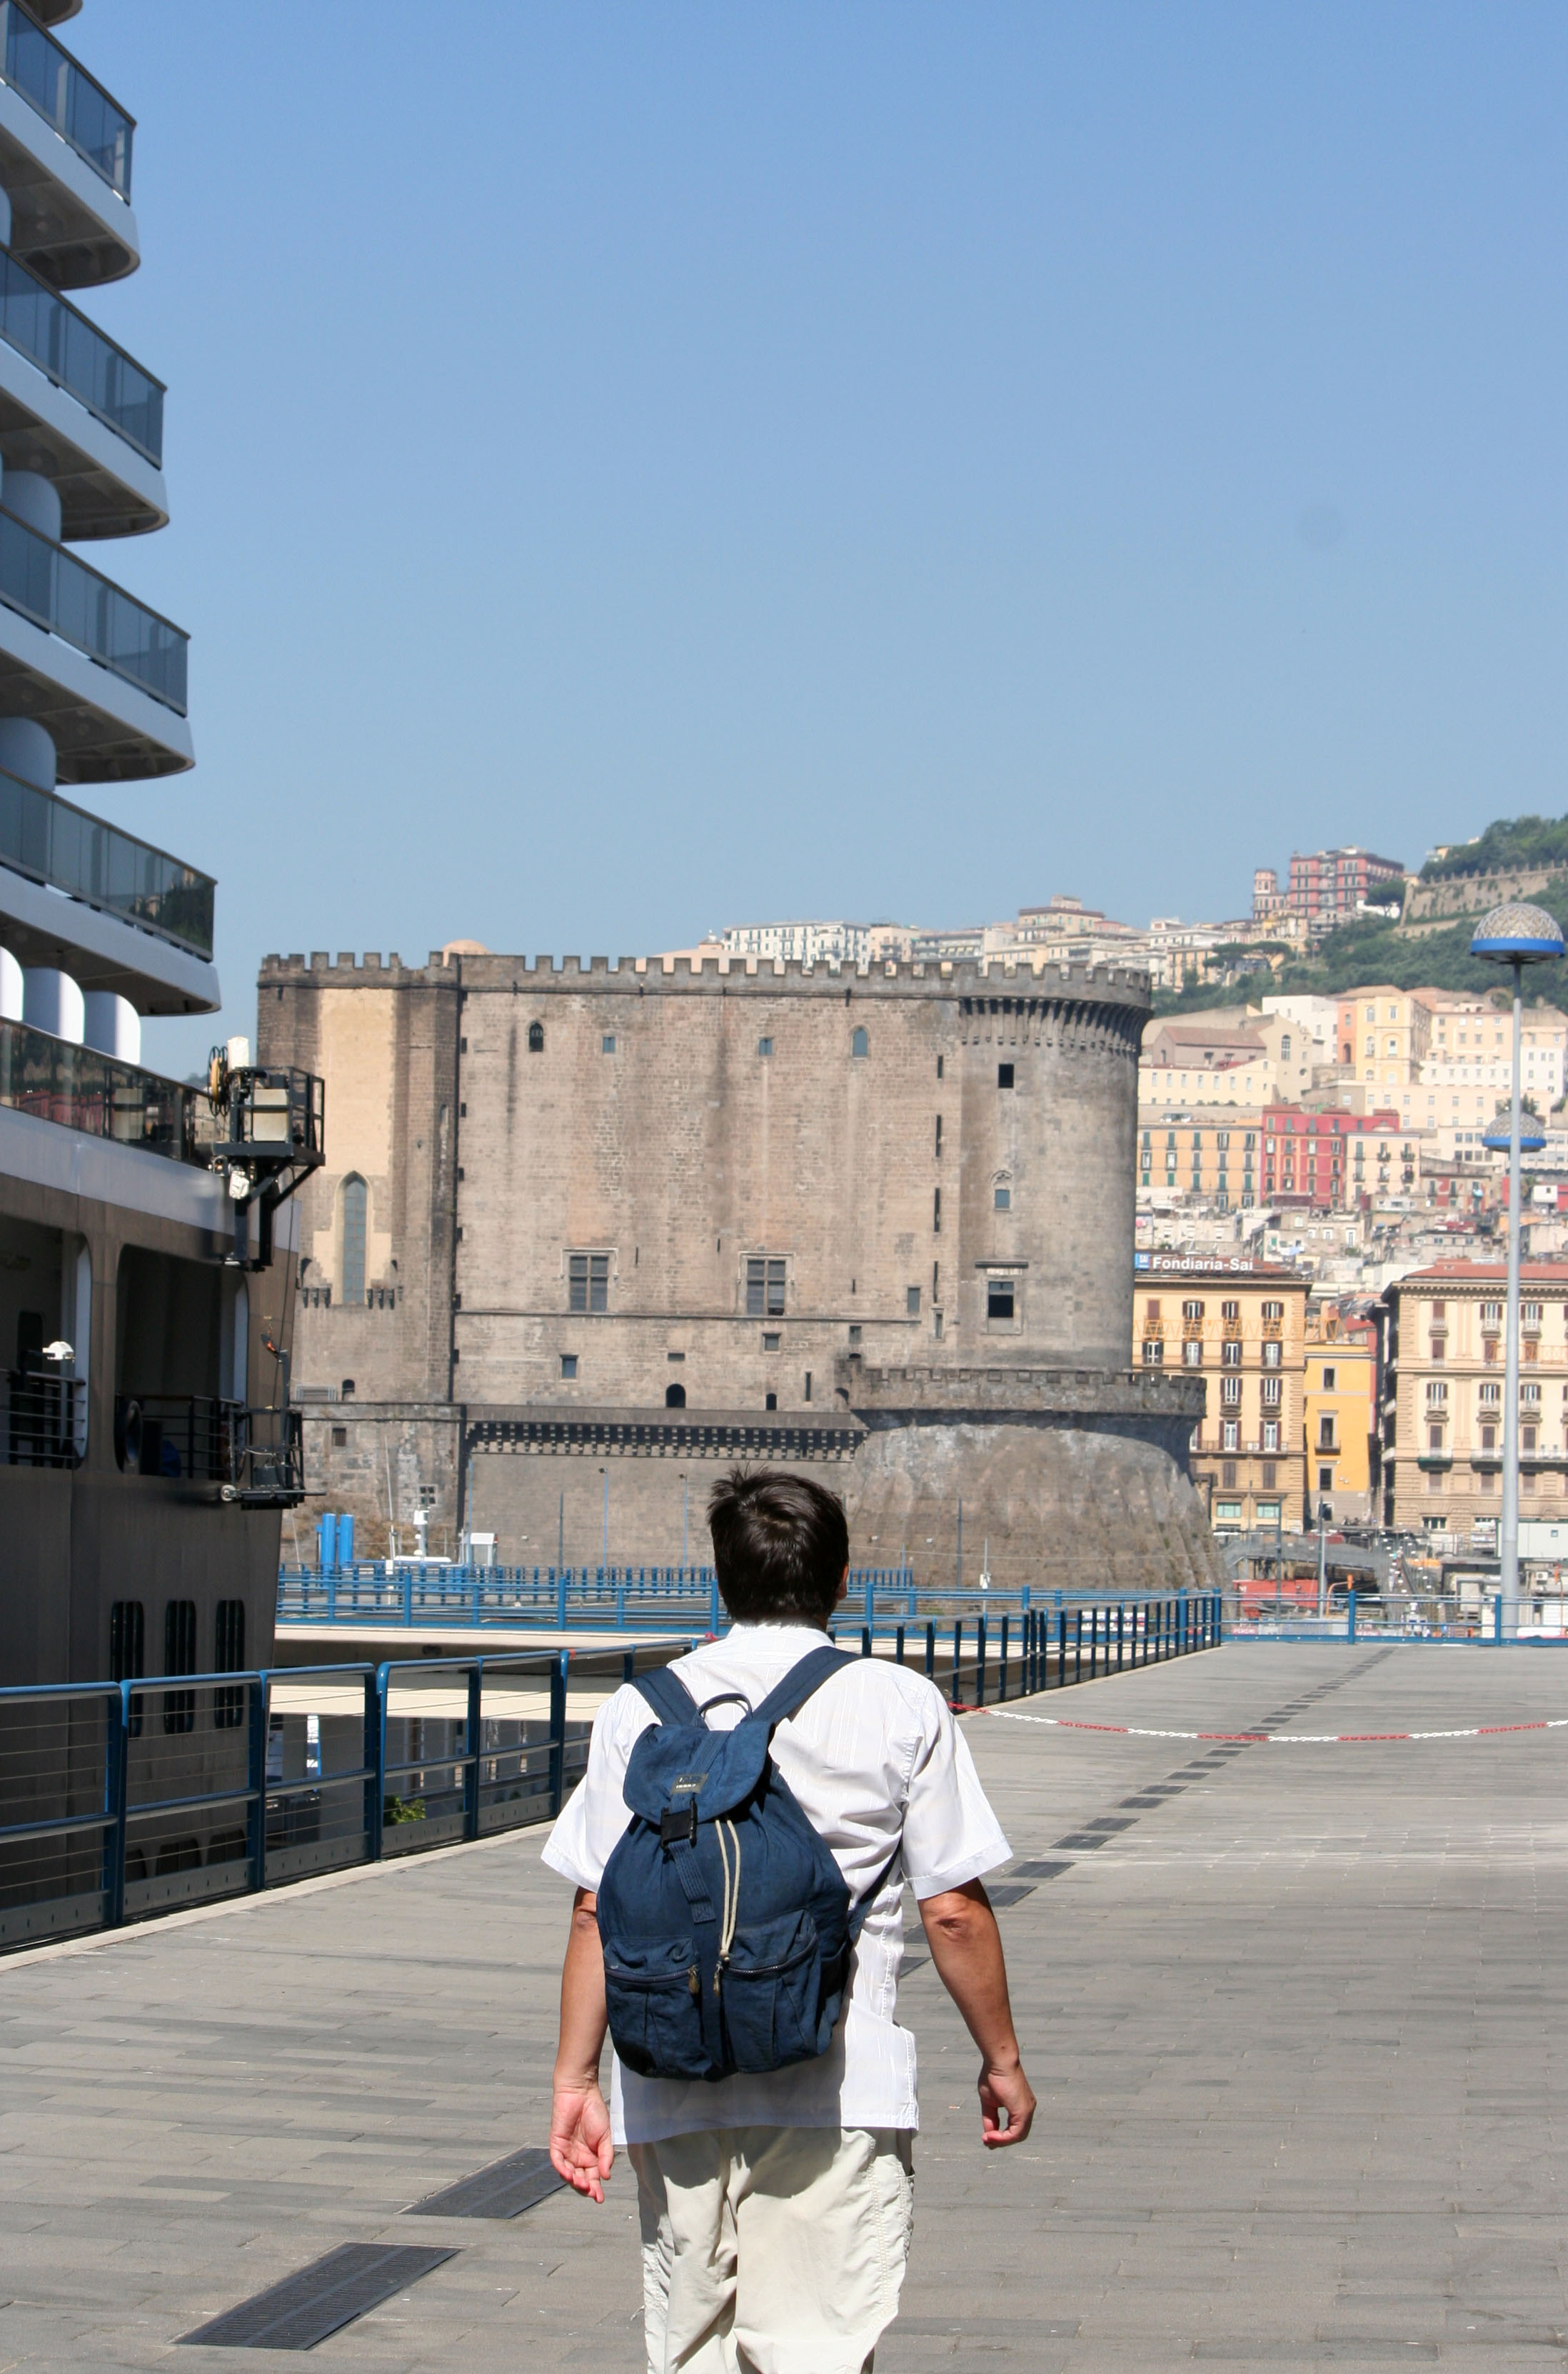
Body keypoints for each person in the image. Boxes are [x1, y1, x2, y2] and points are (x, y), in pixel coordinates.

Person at [544, 1466, 1035, 2374]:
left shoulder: (637, 1710)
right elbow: (952, 1912)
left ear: (720, 1580)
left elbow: (592, 1912)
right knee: (814, 2351)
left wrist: (577, 2081)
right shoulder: (897, 1702)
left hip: (670, 2081)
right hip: (837, 2087)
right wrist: (1000, 2060)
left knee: (690, 2352)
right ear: (843, 1579)